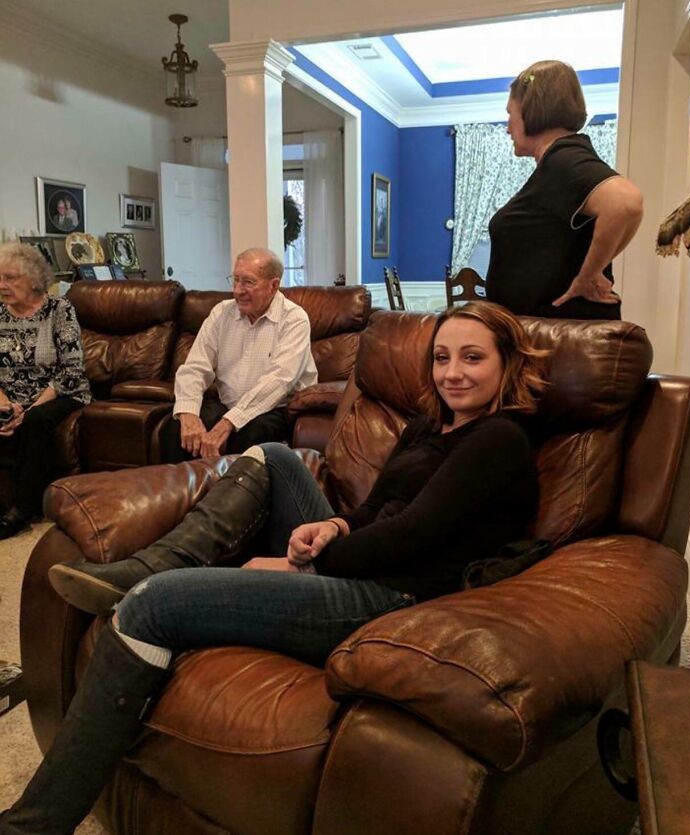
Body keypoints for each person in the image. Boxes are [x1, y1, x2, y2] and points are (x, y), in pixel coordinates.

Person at [1, 300, 547, 833]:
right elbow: (377, 511)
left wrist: (304, 565)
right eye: (441, 357)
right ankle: (145, 565)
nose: (452, 373)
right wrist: (335, 526)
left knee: (153, 605)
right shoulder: (433, 424)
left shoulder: (498, 439)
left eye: (472, 358)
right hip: (360, 561)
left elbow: (409, 538)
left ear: (507, 363)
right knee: (275, 457)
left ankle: (37, 823)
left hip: (392, 601)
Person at [485, 60, 644, 319]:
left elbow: (626, 203)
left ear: (529, 110)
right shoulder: (560, 161)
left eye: (509, 113)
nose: (507, 127)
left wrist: (590, 274)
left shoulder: (564, 157)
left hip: (556, 338)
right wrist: (593, 269)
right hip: (546, 333)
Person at [159, 246, 317, 463]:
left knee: (251, 436)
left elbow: (278, 383)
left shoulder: (294, 320)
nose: (238, 291)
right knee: (174, 428)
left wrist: (227, 423)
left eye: (248, 282)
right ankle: (179, 495)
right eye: (235, 280)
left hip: (274, 409)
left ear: (274, 285)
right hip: (228, 405)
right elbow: (195, 368)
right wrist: (188, 413)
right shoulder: (221, 313)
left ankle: (228, 496)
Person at [0, 243, 91, 539]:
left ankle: (23, 508)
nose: (2, 285)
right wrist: (4, 404)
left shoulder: (60, 311)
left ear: (34, 279)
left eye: (10, 278)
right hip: (9, 395)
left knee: (36, 422)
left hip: (59, 392)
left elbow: (72, 370)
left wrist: (27, 409)